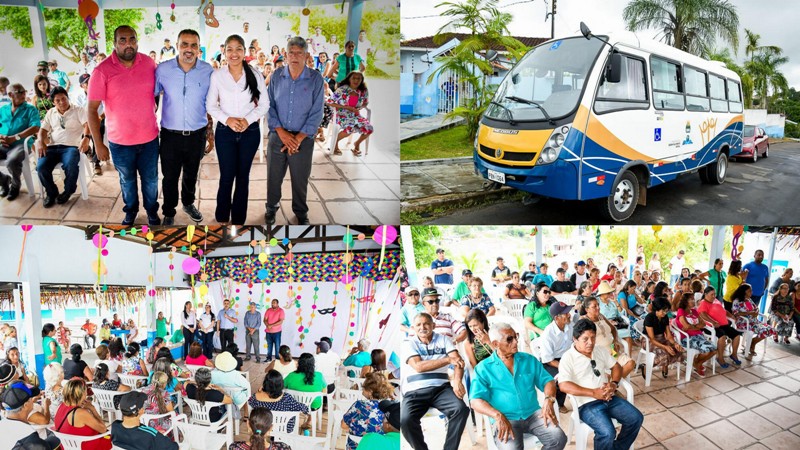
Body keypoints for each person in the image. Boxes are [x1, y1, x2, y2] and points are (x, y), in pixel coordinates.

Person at [88, 25, 161, 226]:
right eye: (122, 40)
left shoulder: (149, 64)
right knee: (127, 182)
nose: (128, 44)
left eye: (132, 39)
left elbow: (157, 93)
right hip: (120, 143)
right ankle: (131, 211)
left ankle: (152, 212)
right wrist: (98, 144)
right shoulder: (101, 71)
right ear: (114, 43)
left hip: (149, 139)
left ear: (137, 41)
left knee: (151, 180)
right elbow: (91, 110)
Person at [470, 322, 567, 450]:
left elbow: (548, 381)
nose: (516, 342)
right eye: (509, 339)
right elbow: (475, 401)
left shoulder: (529, 360)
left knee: (558, 438)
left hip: (533, 414)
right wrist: (497, 415)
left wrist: (549, 399)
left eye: (516, 336)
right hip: (506, 418)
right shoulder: (483, 368)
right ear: (495, 344)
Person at [207, 34, 268, 225]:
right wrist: (228, 120)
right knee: (226, 176)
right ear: (224, 52)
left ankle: (238, 219)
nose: (234, 53)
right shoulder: (217, 76)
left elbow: (264, 104)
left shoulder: (255, 75)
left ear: (244, 51)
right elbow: (210, 106)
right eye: (230, 49)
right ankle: (222, 217)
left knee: (243, 177)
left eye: (238, 49)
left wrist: (247, 121)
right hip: (225, 132)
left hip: (250, 133)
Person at [264, 36, 324, 226]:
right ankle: (271, 207)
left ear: (306, 55)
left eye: (300, 53)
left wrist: (297, 138)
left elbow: (317, 112)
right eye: (291, 52)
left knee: (300, 179)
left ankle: (300, 212)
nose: (295, 56)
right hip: (278, 136)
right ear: (286, 54)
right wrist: (282, 133)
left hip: (303, 139)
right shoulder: (277, 76)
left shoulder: (315, 79)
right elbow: (269, 105)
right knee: (274, 176)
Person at [558, 319, 644, 450]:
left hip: (608, 398)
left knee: (636, 418)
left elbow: (616, 366)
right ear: (575, 339)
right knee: (607, 432)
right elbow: (563, 385)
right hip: (586, 404)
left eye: (593, 338)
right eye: (585, 339)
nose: (590, 342)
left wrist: (614, 384)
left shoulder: (599, 350)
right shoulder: (568, 357)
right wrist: (593, 393)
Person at [155, 29, 213, 225]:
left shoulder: (208, 71)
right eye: (184, 44)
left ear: (199, 48)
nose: (189, 49)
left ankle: (188, 203)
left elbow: (211, 103)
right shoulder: (163, 70)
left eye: (193, 45)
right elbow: (151, 97)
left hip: (197, 135)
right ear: (177, 46)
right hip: (170, 135)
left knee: (191, 174)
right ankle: (169, 211)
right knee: (169, 176)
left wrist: (210, 133)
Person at [400, 313, 469, 450]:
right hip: (415, 391)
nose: (422, 327)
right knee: (405, 420)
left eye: (426, 323)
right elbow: (419, 367)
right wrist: (447, 360)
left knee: (461, 409)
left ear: (433, 325)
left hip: (441, 389)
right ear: (413, 327)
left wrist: (457, 381)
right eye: (418, 325)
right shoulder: (408, 343)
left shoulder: (443, 339)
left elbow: (458, 361)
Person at [0, 82, 40, 201]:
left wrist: (15, 137)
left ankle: (15, 185)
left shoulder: (30, 109)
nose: (23, 94)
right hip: (3, 144)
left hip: (20, 144)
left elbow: (35, 127)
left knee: (11, 161)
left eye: (24, 92)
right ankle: (4, 180)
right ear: (10, 95)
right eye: (20, 92)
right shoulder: (3, 110)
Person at [580, 297, 636, 378]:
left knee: (631, 363)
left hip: (613, 351)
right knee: (616, 369)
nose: (598, 308)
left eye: (598, 305)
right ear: (587, 309)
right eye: (594, 306)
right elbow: (584, 341)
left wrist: (615, 341)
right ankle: (614, 381)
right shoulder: (584, 320)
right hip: (599, 355)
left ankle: (612, 382)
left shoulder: (601, 316)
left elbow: (613, 329)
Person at [341, 372, 395, 450]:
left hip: (356, 447)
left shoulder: (359, 405)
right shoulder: (391, 407)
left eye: (364, 388)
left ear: (370, 391)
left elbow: (343, 425)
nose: (362, 390)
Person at [54, 379, 112, 450]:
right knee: (112, 437)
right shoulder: (80, 413)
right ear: (82, 394)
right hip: (84, 446)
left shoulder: (61, 406)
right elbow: (103, 429)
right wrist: (92, 408)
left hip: (67, 446)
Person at [538, 302, 575, 412]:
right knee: (561, 378)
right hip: (551, 362)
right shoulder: (548, 334)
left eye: (568, 312)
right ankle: (559, 404)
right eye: (565, 314)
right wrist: (565, 366)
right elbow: (548, 360)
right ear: (556, 318)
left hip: (567, 357)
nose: (569, 315)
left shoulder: (570, 326)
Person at [111, 391, 178, 450]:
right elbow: (174, 447)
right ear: (140, 410)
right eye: (143, 404)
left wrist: (154, 434)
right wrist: (155, 435)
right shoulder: (150, 435)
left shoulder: (115, 427)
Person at [248, 369, 310, 434]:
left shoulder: (255, 398)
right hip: (284, 429)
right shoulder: (286, 398)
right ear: (281, 384)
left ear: (265, 384)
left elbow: (249, 402)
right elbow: (304, 408)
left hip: (264, 429)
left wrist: (259, 391)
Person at [328, 70, 373, 156]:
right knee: (350, 127)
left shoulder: (363, 90)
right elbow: (329, 102)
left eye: (359, 78)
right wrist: (346, 107)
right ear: (349, 79)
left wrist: (360, 107)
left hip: (355, 115)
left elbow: (365, 102)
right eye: (354, 78)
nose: (356, 80)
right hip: (340, 114)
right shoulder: (342, 89)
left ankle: (357, 144)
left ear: (362, 80)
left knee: (369, 128)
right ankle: (335, 142)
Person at [697, 286, 742, 368]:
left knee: (737, 335)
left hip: (723, 325)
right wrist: (713, 322)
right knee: (722, 336)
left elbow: (724, 310)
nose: (714, 296)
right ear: (705, 294)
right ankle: (720, 358)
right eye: (712, 294)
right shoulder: (703, 303)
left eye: (715, 294)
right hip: (711, 327)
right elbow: (702, 314)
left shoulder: (716, 300)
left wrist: (731, 316)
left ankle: (734, 354)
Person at [641, 298, 684, 378]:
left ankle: (665, 364)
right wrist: (665, 347)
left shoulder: (665, 317)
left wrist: (675, 343)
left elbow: (668, 335)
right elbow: (652, 339)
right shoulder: (649, 318)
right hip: (648, 340)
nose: (665, 313)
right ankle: (646, 366)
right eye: (663, 311)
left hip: (661, 338)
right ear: (657, 309)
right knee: (664, 354)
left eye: (666, 311)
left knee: (677, 350)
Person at [730, 284, 776, 355]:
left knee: (771, 329)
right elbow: (736, 313)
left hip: (754, 322)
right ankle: (752, 345)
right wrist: (749, 313)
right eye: (749, 291)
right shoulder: (737, 301)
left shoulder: (749, 299)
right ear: (744, 291)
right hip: (743, 323)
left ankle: (752, 342)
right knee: (764, 331)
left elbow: (756, 308)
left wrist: (756, 312)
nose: (751, 292)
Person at [596, 281, 633, 353]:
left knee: (628, 337)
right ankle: (614, 355)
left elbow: (621, 313)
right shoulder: (597, 302)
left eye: (610, 292)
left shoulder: (612, 301)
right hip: (605, 324)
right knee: (611, 339)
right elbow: (597, 316)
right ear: (602, 294)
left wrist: (616, 303)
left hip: (616, 322)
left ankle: (629, 356)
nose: (610, 294)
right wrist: (608, 322)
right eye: (608, 293)